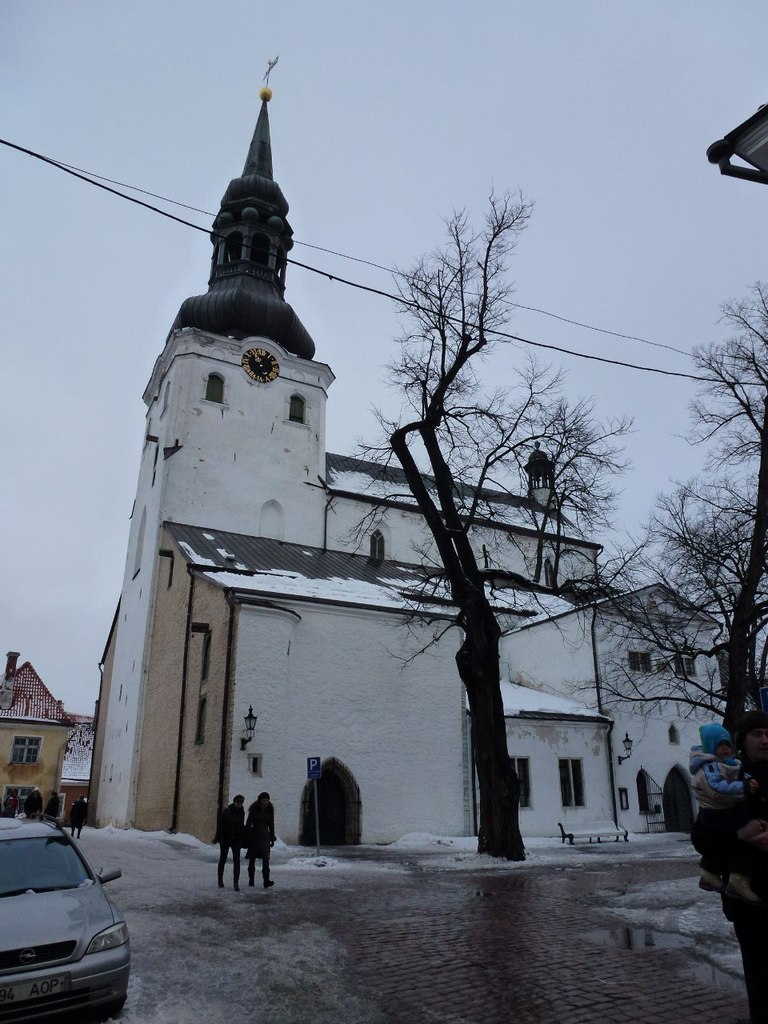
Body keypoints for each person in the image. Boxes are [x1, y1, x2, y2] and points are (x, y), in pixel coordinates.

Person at [716, 710, 768, 1023]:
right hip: (749, 905)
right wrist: (739, 834)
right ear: (741, 742)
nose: (765, 740)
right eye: (756, 734)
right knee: (762, 986)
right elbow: (704, 836)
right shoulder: (727, 778)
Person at [690, 723, 760, 902]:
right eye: (758, 734)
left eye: (727, 744)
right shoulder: (711, 767)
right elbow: (716, 788)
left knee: (734, 840)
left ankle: (713, 874)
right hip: (717, 812)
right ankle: (731, 878)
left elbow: (737, 774)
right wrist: (744, 786)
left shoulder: (731, 764)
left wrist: (747, 780)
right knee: (736, 841)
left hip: (725, 811)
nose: (726, 749)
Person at [245, 791, 276, 889]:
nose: (265, 802)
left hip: (265, 837)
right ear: (260, 801)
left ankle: (266, 880)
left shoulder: (270, 810)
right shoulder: (254, 810)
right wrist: (248, 835)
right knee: (252, 859)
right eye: (264, 800)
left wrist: (272, 836)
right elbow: (249, 823)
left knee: (266, 859)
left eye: (267, 800)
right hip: (255, 836)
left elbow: (271, 824)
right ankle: (251, 879)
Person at [216, 794, 245, 891]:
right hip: (226, 839)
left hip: (236, 839)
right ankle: (220, 880)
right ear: (234, 802)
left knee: (237, 861)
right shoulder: (227, 811)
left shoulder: (241, 812)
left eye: (240, 803)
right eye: (238, 802)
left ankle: (236, 883)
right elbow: (221, 826)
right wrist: (220, 838)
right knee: (223, 859)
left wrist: (242, 837)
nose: (239, 804)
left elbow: (241, 826)